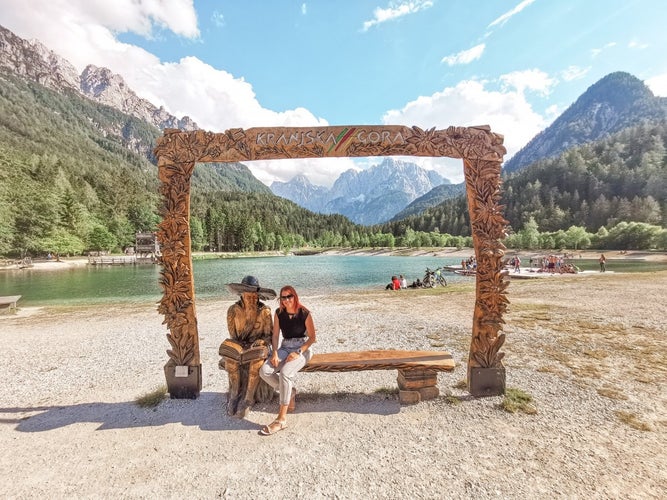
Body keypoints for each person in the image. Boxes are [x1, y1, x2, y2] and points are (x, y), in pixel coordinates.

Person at [259, 285, 316, 435]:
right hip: (285, 347)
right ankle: (290, 392)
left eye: (289, 296)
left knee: (285, 373)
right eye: (283, 297)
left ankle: (281, 419)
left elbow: (312, 338)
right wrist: (275, 353)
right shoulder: (279, 313)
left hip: (303, 348)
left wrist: (298, 352)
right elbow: (276, 335)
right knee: (264, 371)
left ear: (295, 296)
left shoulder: (304, 313)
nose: (286, 300)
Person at [220, 276, 276, 418]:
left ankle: (248, 398)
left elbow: (270, 336)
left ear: (258, 297)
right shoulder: (232, 311)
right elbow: (233, 335)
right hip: (241, 347)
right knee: (230, 361)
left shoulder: (265, 311)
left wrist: (262, 341)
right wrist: (236, 347)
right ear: (242, 296)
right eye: (248, 296)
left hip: (259, 348)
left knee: (256, 362)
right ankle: (234, 396)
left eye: (254, 296)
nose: (251, 299)